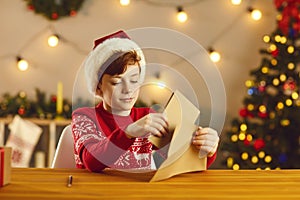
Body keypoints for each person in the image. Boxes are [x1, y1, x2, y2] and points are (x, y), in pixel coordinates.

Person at [71, 30, 219, 172]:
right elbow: (91, 161)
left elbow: (179, 161)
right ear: (98, 88)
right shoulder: (84, 117)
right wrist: (129, 132)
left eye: (134, 80)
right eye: (116, 83)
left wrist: (205, 149)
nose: (128, 89)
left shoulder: (149, 116)